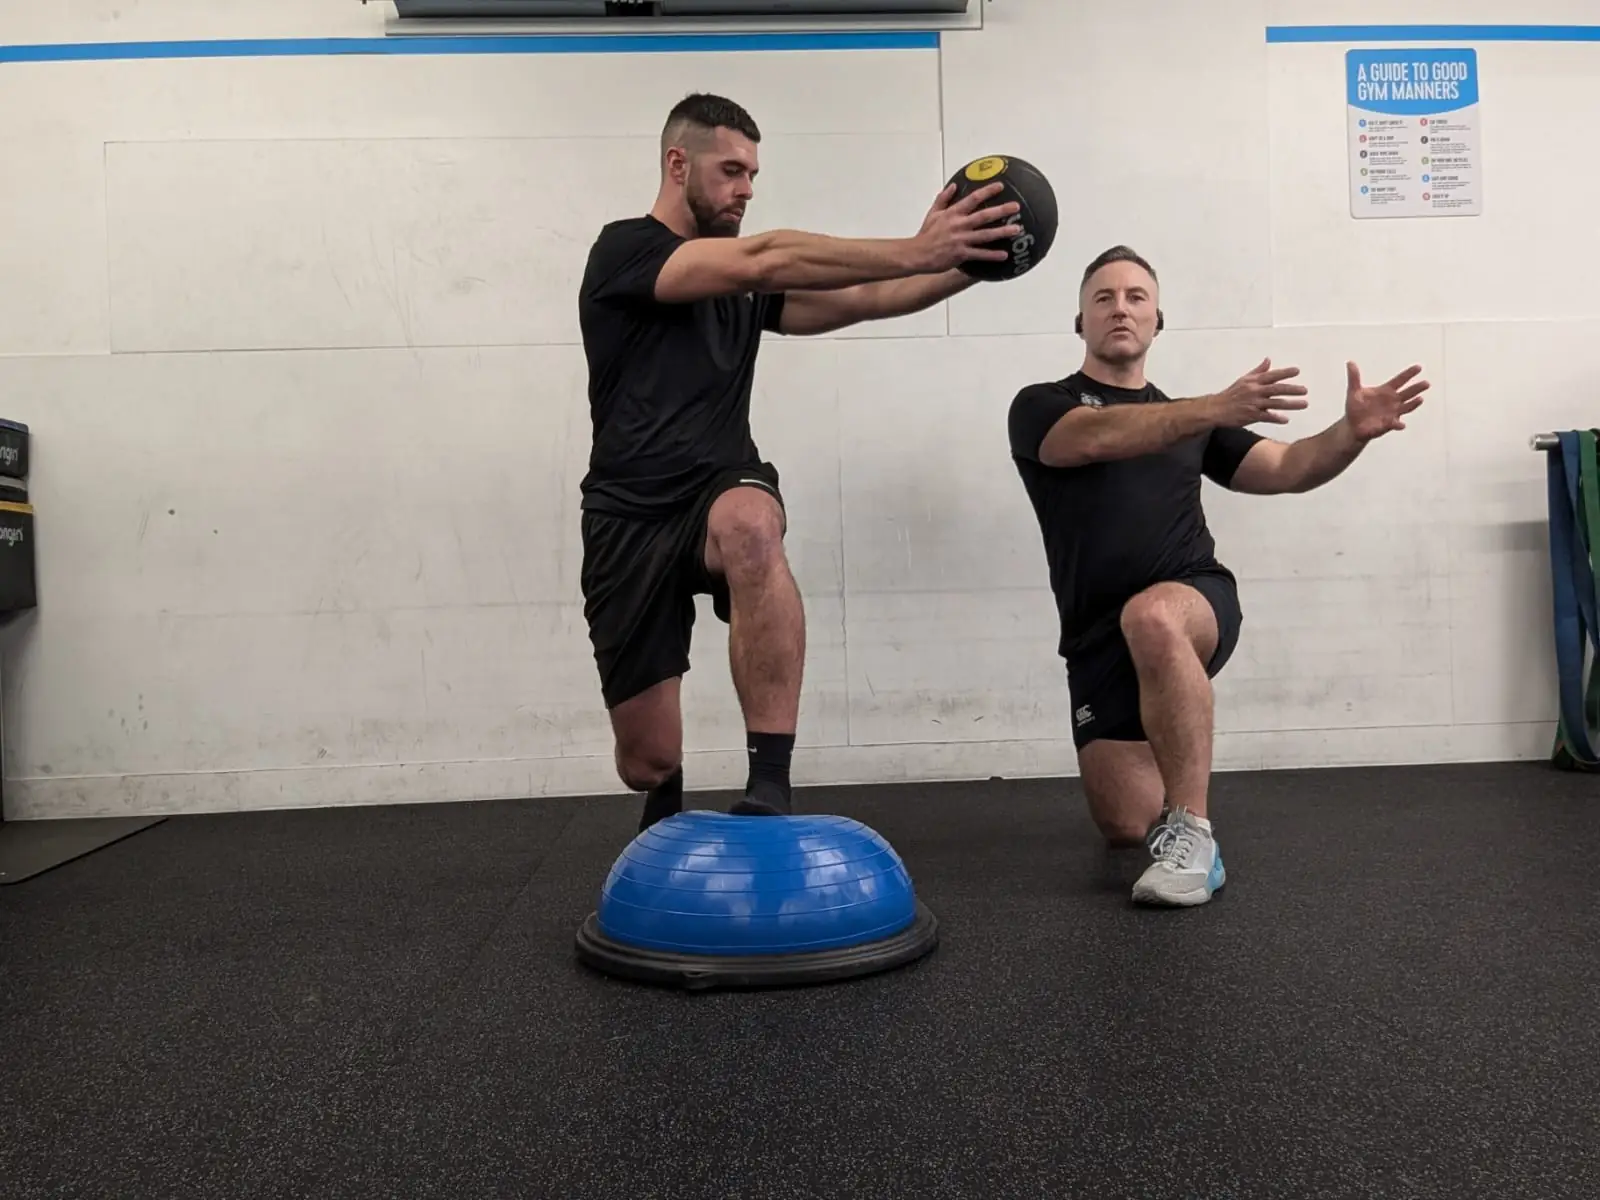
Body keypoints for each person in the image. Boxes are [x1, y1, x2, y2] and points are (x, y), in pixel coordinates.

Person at [578, 93, 1024, 831]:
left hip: (717, 489)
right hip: (626, 516)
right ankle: (666, 801)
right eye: (730, 170)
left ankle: (769, 782)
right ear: (677, 163)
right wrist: (917, 244)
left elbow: (873, 297)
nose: (747, 188)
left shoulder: (748, 288)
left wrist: (974, 258)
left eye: (753, 173)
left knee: (753, 523)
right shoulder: (624, 251)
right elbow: (767, 255)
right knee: (645, 759)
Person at [1006, 245, 1430, 906]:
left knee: (1151, 616)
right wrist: (1214, 407)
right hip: (1094, 636)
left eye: (1137, 297)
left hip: (1192, 597)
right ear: (1080, 322)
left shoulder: (1195, 419)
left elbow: (1289, 468)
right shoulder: (1041, 406)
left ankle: (1195, 835)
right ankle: (1172, 805)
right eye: (1104, 298)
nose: (1121, 307)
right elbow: (1091, 439)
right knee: (1123, 825)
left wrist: (1350, 433)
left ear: (1158, 321)